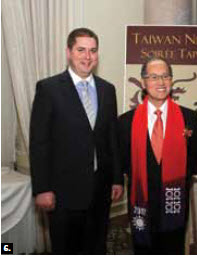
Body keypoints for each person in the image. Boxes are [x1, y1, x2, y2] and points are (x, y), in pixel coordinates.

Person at [30, 27, 123, 254]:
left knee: (95, 247)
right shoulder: (48, 89)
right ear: (69, 52)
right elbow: (39, 142)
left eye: (92, 51)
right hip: (62, 193)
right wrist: (42, 189)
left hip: (100, 191)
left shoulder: (107, 90)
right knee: (66, 248)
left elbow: (112, 138)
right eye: (81, 50)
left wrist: (117, 179)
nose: (87, 56)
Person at [118, 56, 197, 254]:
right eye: (154, 77)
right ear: (144, 82)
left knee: (173, 248)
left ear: (171, 81)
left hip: (175, 199)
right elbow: (123, 162)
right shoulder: (125, 122)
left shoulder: (189, 118)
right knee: (143, 248)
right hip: (141, 200)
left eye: (165, 76)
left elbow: (195, 160)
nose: (161, 82)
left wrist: (173, 181)